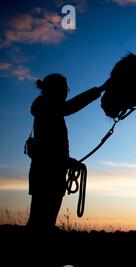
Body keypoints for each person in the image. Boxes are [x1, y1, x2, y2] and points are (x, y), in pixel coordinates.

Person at [27, 73, 108, 231]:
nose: (66, 93)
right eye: (64, 90)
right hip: (48, 175)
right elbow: (49, 150)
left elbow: (49, 147)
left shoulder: (46, 110)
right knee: (41, 224)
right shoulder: (48, 109)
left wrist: (66, 161)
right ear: (54, 90)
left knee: (42, 222)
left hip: (46, 173)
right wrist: (101, 89)